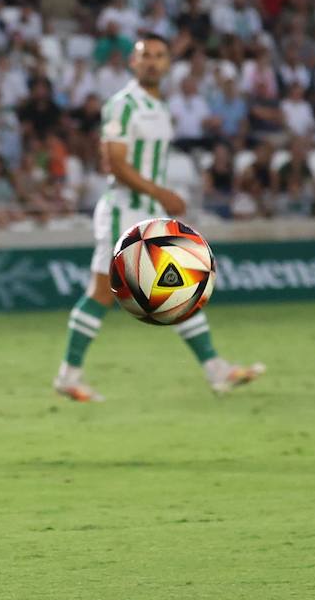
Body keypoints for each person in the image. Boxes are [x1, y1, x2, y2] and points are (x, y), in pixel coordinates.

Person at [54, 34, 264, 402]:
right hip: (124, 209)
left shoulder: (160, 107)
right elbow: (114, 163)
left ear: (168, 63)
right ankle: (68, 375)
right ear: (133, 63)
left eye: (159, 56)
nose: (152, 62)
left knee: (174, 284)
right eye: (145, 56)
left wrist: (158, 200)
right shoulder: (123, 105)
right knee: (106, 292)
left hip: (147, 212)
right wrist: (161, 193)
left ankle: (215, 368)